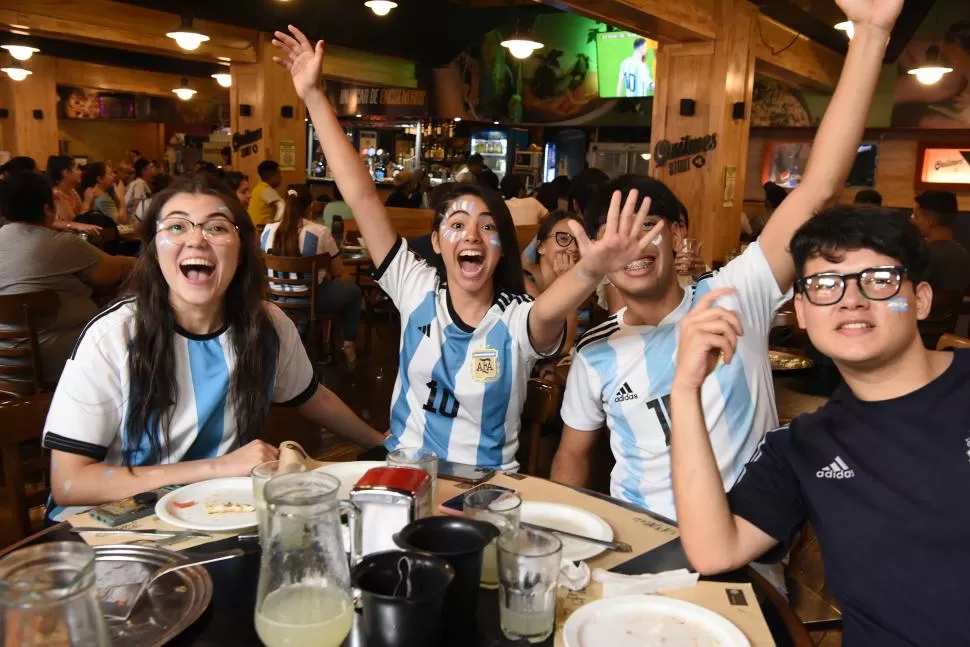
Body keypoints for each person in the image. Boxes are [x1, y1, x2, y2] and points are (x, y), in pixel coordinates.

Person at [549, 0, 900, 522]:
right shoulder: (594, 352)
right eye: (613, 235)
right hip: (639, 537)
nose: (632, 246)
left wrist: (870, 32)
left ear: (678, 233)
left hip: (745, 538)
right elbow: (573, 457)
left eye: (647, 226)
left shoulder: (737, 292)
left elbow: (819, 188)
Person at [273, 25, 661, 468]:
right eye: (457, 225)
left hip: (485, 492)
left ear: (500, 248)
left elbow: (551, 309)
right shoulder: (415, 287)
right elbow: (361, 195)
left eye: (487, 226)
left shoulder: (515, 321)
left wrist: (592, 268)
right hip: (401, 474)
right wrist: (314, 96)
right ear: (437, 242)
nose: (472, 235)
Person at [669, 207, 970, 646]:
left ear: (920, 299)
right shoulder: (804, 446)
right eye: (825, 285)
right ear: (803, 313)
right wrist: (684, 388)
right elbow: (715, 551)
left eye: (880, 279)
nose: (852, 299)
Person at [41, 173, 385, 517]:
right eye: (176, 227)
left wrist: (379, 443)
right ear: (152, 248)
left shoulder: (268, 325)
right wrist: (218, 467)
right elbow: (71, 482)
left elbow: (313, 397)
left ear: (243, 249)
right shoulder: (114, 335)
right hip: (108, 527)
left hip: (212, 512)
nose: (196, 240)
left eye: (217, 228)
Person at [0, 172, 134, 382]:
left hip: (4, 364)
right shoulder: (62, 244)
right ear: (47, 208)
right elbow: (113, 271)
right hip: (57, 360)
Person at [260, 185, 363, 369]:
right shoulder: (320, 231)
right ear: (311, 206)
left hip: (275, 300)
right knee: (353, 293)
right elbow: (338, 271)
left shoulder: (268, 230)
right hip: (312, 300)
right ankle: (348, 345)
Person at [524, 210, 583, 353]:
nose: (574, 248)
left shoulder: (583, 280)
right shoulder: (524, 282)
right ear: (540, 247)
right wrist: (567, 282)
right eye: (563, 239)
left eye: (579, 241)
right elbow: (562, 348)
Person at [910, 190, 970, 293]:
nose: (911, 219)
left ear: (929, 222)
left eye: (916, 215)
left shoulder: (922, 255)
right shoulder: (963, 254)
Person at [248, 160, 284, 226]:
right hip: (262, 228)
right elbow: (282, 206)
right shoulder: (267, 190)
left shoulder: (257, 189)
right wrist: (276, 224)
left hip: (253, 226)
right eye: (279, 173)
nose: (281, 176)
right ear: (274, 175)